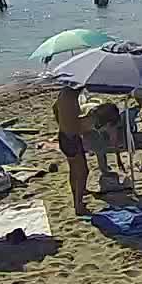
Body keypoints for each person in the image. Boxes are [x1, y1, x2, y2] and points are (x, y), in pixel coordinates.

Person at [54, 85, 90, 215]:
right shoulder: (71, 97)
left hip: (64, 135)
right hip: (71, 138)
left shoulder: (63, 93)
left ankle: (77, 199)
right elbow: (76, 124)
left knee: (74, 170)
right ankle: (78, 205)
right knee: (82, 172)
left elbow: (54, 108)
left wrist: (62, 124)